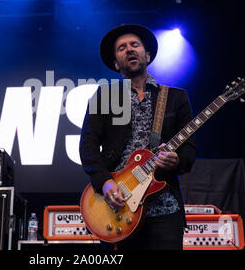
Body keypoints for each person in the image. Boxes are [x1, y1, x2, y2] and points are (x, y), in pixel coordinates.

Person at [79, 24, 196, 250]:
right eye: (122, 48)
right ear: (116, 63)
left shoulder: (175, 97)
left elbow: (190, 149)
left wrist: (177, 160)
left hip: (164, 208)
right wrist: (105, 182)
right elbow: (88, 146)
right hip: (117, 207)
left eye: (135, 45)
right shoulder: (106, 96)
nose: (129, 50)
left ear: (148, 55)